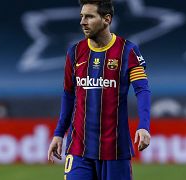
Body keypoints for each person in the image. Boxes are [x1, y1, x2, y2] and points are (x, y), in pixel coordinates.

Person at [48, 0, 151, 179]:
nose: (82, 22)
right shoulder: (74, 53)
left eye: (89, 16)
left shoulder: (128, 51)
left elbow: (142, 90)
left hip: (115, 150)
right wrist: (59, 133)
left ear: (107, 19)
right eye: (81, 16)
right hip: (79, 148)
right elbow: (68, 95)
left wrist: (144, 126)